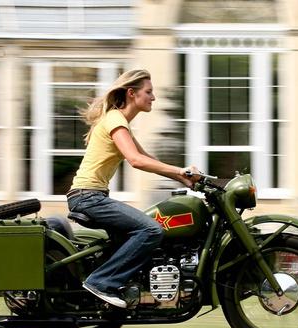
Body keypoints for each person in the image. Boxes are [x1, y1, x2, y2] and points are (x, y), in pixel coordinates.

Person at [66, 69, 199, 308]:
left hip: (91, 196)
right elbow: (135, 160)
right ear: (131, 93)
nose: (153, 97)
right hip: (88, 198)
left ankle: (121, 288)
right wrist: (179, 172)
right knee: (151, 230)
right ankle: (101, 282)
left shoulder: (119, 121)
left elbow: (146, 158)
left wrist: (181, 175)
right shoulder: (116, 120)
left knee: (138, 234)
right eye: (148, 92)